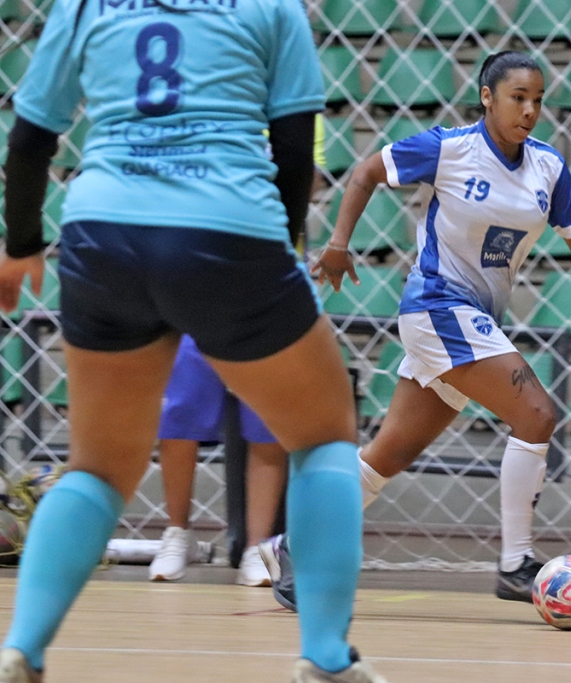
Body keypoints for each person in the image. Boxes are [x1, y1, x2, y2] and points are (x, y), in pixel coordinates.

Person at [0, 0, 386, 680]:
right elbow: (294, 143)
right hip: (225, 227)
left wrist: (21, 244)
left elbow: (31, 137)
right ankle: (325, 657)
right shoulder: (272, 7)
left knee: (96, 467)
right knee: (323, 434)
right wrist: (285, 250)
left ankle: (21, 649)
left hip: (103, 233)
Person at [261, 50, 571, 610]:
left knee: (386, 456)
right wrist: (340, 243)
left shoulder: (547, 167)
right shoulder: (448, 148)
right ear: (488, 97)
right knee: (538, 413)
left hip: (474, 319)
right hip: (437, 306)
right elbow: (368, 170)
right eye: (518, 98)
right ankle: (516, 565)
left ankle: (291, 544)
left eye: (538, 100)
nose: (530, 110)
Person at [149, 334, 286, 587]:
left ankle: (259, 548)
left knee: (266, 424)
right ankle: (178, 533)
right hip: (194, 313)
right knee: (180, 413)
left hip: (264, 314)